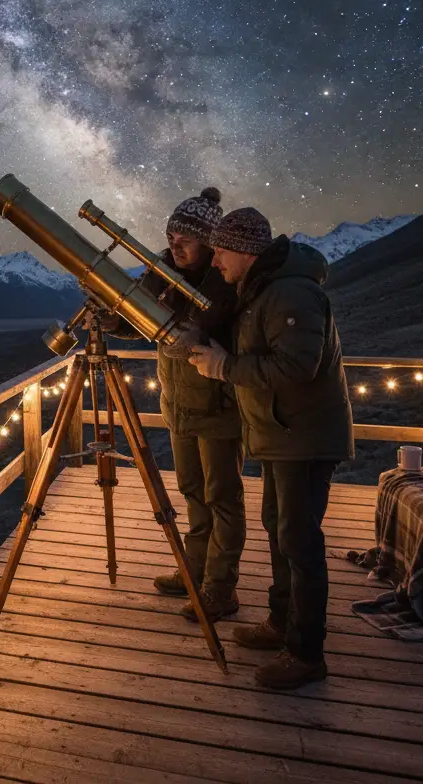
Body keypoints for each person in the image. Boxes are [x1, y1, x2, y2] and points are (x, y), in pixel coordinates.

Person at [188, 207, 354, 689]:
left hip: (303, 437)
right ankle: (282, 624)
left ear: (244, 251)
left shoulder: (291, 292)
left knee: (300, 543)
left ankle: (305, 654)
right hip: (282, 434)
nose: (215, 260)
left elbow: (297, 367)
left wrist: (224, 367)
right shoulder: (262, 288)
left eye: (221, 251)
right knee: (282, 533)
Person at [101, 187, 245, 622]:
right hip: (178, 402)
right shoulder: (161, 271)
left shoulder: (227, 278)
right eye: (170, 237)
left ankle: (220, 587)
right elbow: (139, 323)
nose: (175, 246)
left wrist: (202, 335)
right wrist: (111, 319)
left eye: (186, 239)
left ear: (209, 242)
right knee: (192, 493)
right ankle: (193, 571)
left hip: (218, 406)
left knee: (222, 499)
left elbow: (237, 334)